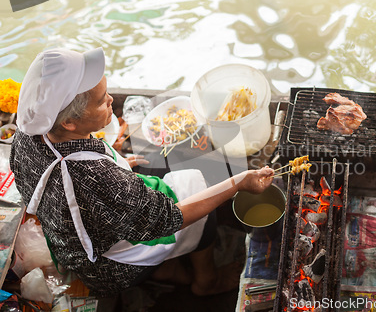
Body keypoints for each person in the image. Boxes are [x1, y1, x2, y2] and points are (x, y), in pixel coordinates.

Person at [9, 47, 274, 297]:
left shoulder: (26, 135)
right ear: (68, 122)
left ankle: (169, 270)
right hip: (110, 268)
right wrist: (238, 182)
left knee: (151, 165)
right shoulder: (99, 180)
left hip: (71, 246)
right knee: (200, 194)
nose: (112, 101)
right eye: (102, 101)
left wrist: (116, 160)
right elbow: (171, 218)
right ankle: (206, 281)